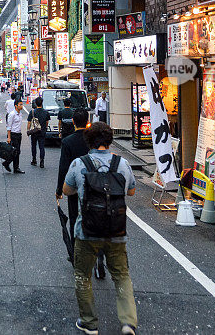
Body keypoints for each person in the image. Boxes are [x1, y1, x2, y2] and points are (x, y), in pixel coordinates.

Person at [62, 122, 137, 335]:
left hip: (86, 231)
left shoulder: (79, 163)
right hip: (116, 230)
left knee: (83, 275)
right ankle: (128, 322)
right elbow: (131, 191)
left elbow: (67, 190)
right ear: (110, 141)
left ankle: (89, 322)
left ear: (89, 141)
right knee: (121, 275)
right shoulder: (122, 164)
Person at [56, 108, 90, 263]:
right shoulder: (93, 140)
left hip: (74, 185)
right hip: (93, 185)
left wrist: (59, 189)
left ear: (74, 122)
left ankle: (75, 253)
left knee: (74, 217)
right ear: (88, 121)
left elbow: (63, 167)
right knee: (92, 217)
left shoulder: (67, 141)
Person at [27, 96, 51, 168]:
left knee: (33, 146)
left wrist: (28, 130)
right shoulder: (46, 112)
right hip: (42, 131)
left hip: (34, 131)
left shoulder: (32, 112)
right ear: (42, 103)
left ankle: (34, 160)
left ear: (36, 103)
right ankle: (42, 161)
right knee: (41, 147)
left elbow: (29, 122)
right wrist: (45, 128)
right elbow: (47, 122)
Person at [4, 98, 25, 174]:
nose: (22, 106)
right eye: (20, 104)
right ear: (16, 106)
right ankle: (10, 164)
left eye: (22, 104)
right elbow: (8, 126)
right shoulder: (12, 114)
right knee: (15, 151)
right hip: (13, 134)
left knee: (17, 151)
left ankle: (14, 166)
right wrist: (9, 137)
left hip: (19, 134)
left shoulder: (20, 114)